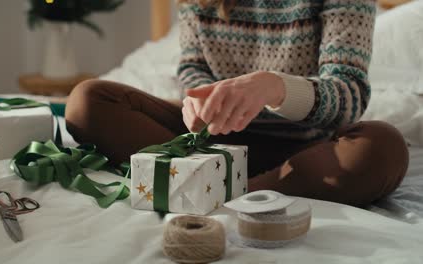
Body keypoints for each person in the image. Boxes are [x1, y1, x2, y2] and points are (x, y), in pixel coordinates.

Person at [65, 0, 409, 207]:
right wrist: (198, 102)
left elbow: (348, 95)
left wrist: (274, 88)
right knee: (88, 101)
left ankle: (224, 192)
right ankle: (214, 182)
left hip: (301, 154)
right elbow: (192, 67)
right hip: (211, 145)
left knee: (384, 147)